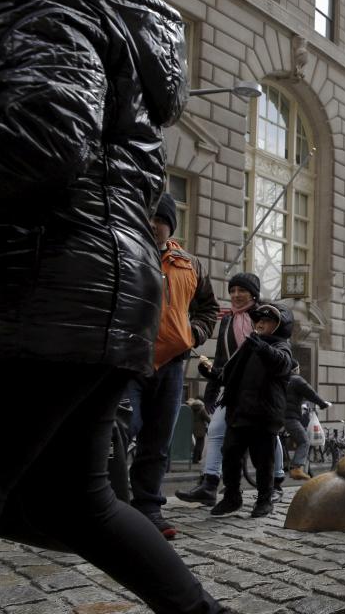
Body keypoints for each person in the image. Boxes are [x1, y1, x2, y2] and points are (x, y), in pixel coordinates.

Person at [0, 0, 224, 610]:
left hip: (48, 296)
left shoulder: (46, 10)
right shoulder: (98, 29)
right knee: (74, 501)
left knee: (92, 490)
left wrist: (198, 335)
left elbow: (43, 142)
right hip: (92, 300)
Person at [122, 193, 218, 540]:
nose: (152, 224)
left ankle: (148, 507)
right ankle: (110, 503)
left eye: (159, 219)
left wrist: (193, 333)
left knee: (157, 441)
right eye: (147, 217)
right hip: (129, 361)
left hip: (172, 365)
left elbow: (209, 309)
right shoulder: (124, 251)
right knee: (122, 428)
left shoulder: (190, 265)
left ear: (170, 225)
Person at [175, 273, 286, 505]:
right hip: (234, 387)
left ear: (253, 293)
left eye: (241, 290)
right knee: (216, 428)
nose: (235, 295)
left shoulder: (267, 314)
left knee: (268, 434)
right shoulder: (226, 320)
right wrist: (211, 388)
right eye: (232, 290)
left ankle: (276, 483)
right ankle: (210, 483)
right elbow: (222, 359)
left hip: (262, 390)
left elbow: (281, 349)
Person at [199, 303, 294, 517]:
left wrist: (262, 348)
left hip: (264, 415)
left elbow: (282, 364)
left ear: (279, 326)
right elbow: (229, 374)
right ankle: (232, 497)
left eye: (266, 321)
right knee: (230, 454)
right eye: (258, 320)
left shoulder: (281, 346)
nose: (259, 324)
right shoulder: (249, 346)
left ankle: (264, 499)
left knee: (263, 461)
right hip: (239, 412)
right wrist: (211, 373)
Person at [285, 367, 331, 481]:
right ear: (295, 369)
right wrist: (322, 404)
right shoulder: (297, 380)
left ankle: (287, 464)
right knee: (304, 441)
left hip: (278, 415)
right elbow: (311, 393)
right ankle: (296, 468)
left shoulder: (283, 379)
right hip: (289, 417)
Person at [187, 398, 212, 464]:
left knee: (197, 444)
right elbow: (208, 419)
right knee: (200, 445)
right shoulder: (202, 410)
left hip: (194, 429)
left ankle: (196, 459)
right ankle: (197, 459)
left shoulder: (191, 409)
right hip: (201, 429)